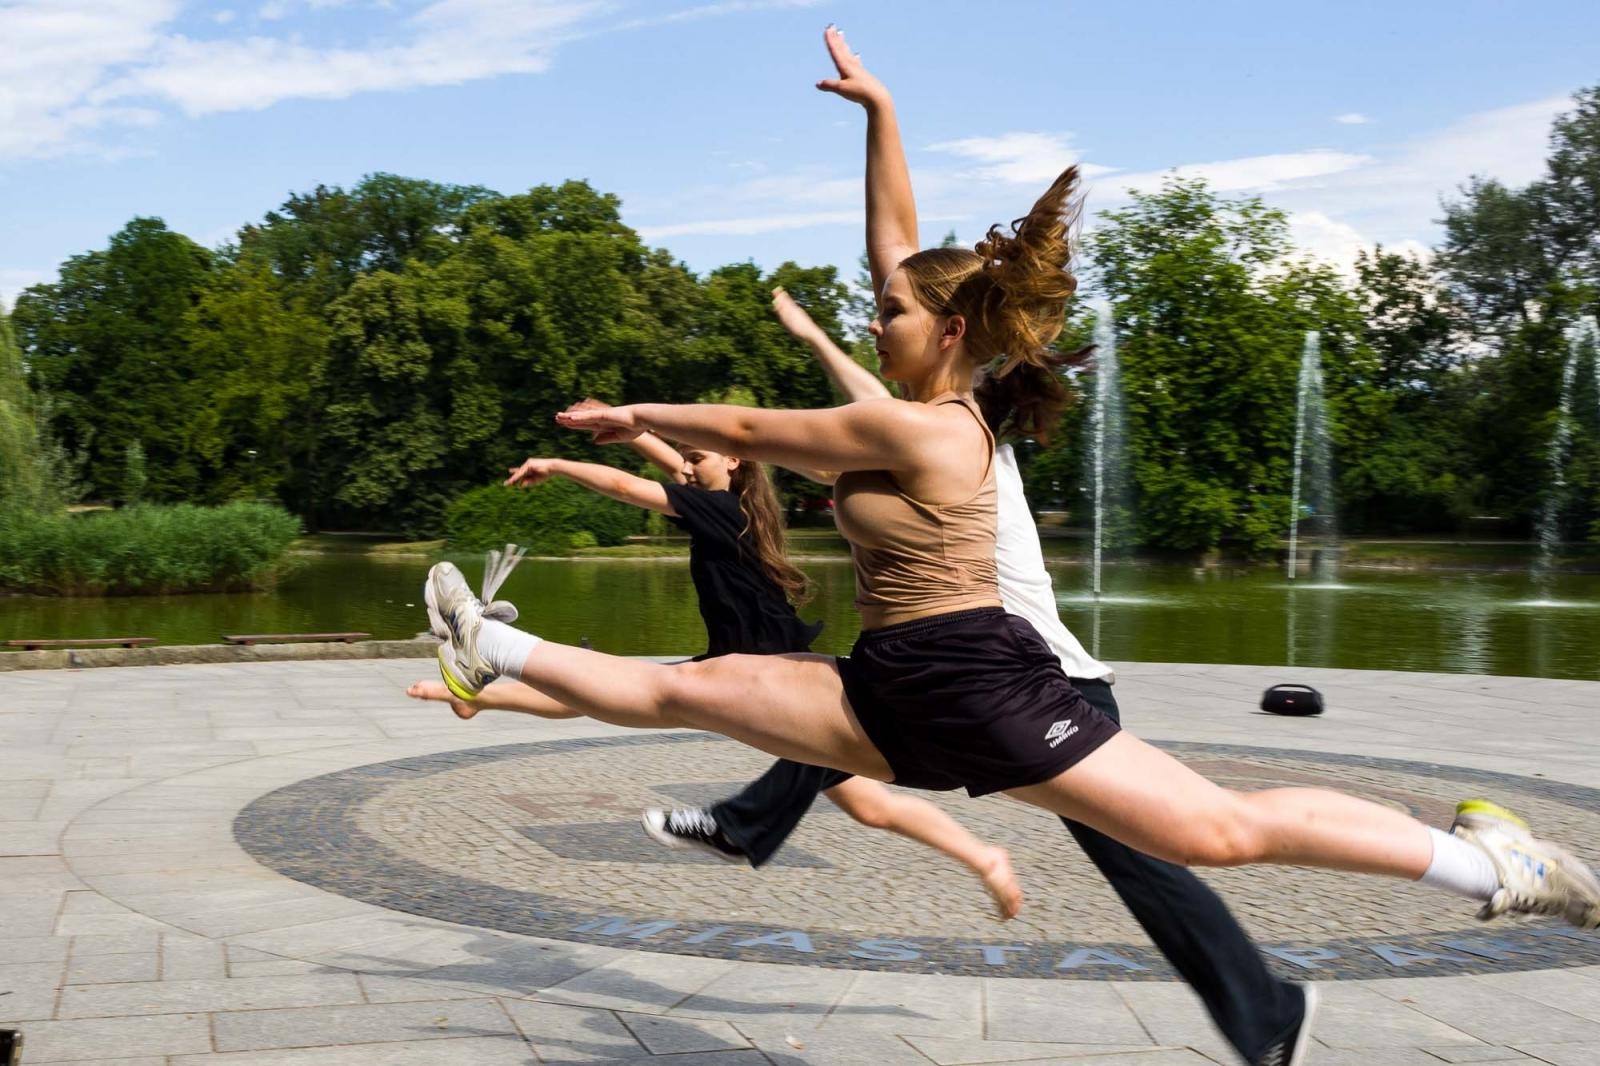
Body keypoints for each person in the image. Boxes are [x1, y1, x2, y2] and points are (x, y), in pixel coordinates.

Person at [419, 22, 1600, 1064]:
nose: (873, 313)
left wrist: (638, 417)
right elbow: (894, 249)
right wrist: (882, 116)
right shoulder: (922, 374)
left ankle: (1490, 864)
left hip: (988, 679)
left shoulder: (926, 424)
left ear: (945, 333)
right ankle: (492, 650)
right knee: (703, 688)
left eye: (889, 312)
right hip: (900, 681)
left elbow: (743, 423)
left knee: (1213, 829)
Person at [641, 285, 1313, 1064]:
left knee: (1153, 852)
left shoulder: (960, 441)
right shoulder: (938, 430)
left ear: (958, 343)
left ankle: (1272, 1004)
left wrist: (809, 339)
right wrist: (816, 335)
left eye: (899, 318)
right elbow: (865, 396)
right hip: (975, 674)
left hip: (1034, 679)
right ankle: (1265, 1009)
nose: (887, 350)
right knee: (849, 714)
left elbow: (855, 402)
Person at [408, 430, 1025, 918]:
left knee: (806, 757)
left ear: (735, 462)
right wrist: (636, 430)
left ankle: (738, 828)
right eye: (683, 456)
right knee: (868, 805)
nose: (683, 463)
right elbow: (671, 464)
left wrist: (560, 463)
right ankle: (984, 857)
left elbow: (630, 488)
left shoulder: (720, 509)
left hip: (772, 672)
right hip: (736, 663)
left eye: (697, 455)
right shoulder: (723, 502)